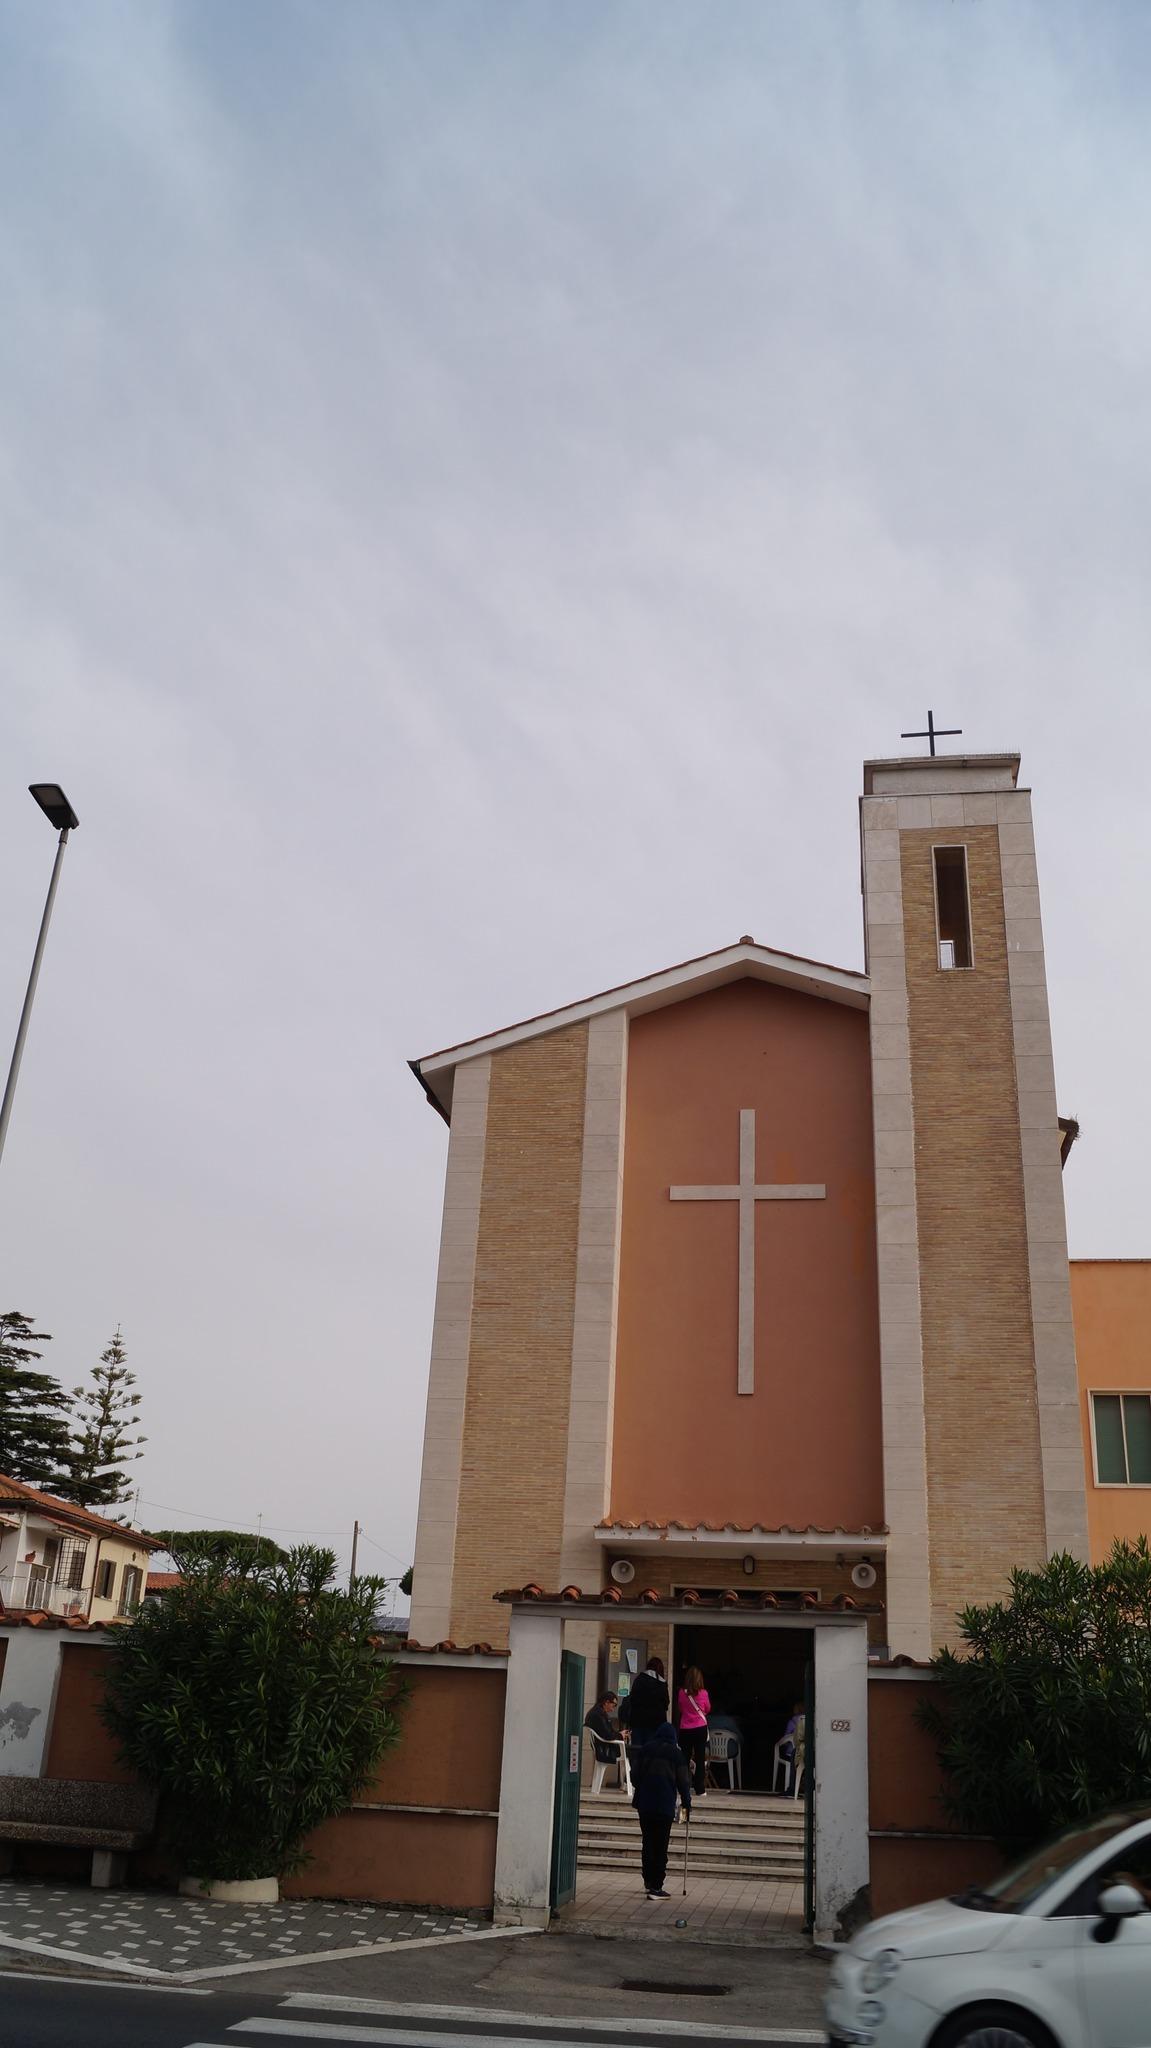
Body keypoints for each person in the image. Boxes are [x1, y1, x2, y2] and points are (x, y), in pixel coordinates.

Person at [630, 1718, 691, 1900]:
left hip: (645, 1804)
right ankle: (657, 1886)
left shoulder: (645, 1749)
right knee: (661, 1845)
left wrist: (644, 1786)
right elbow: (683, 1782)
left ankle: (648, 1881)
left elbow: (634, 1776)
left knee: (647, 1843)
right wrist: (687, 1803)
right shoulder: (676, 1754)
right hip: (664, 1805)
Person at [675, 1665, 711, 1798]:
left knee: (684, 1758)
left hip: (685, 1728)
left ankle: (683, 1785)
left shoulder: (681, 1693)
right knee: (700, 1758)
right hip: (700, 1728)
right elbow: (707, 1709)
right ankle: (700, 1788)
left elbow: (680, 1708)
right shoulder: (704, 1693)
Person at [618, 1656, 670, 1738]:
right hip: (655, 1724)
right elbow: (666, 1704)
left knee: (637, 1748)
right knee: (652, 1749)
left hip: (637, 1722)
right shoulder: (661, 1684)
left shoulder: (639, 1679)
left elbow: (633, 1699)